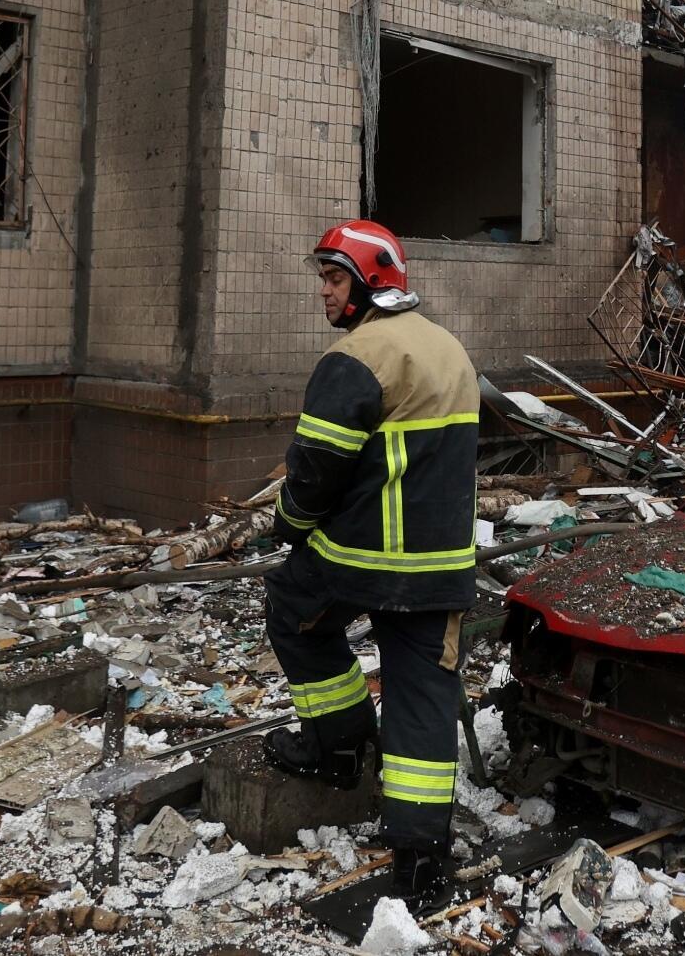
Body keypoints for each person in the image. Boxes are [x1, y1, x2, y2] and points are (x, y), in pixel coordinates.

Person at [263, 221, 479, 895]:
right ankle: (419, 855)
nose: (323, 292)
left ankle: (338, 747)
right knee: (422, 693)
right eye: (323, 278)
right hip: (443, 567)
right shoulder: (449, 350)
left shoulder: (355, 358)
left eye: (334, 278)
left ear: (370, 281)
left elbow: (313, 472)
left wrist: (288, 526)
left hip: (358, 561)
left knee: (294, 611)